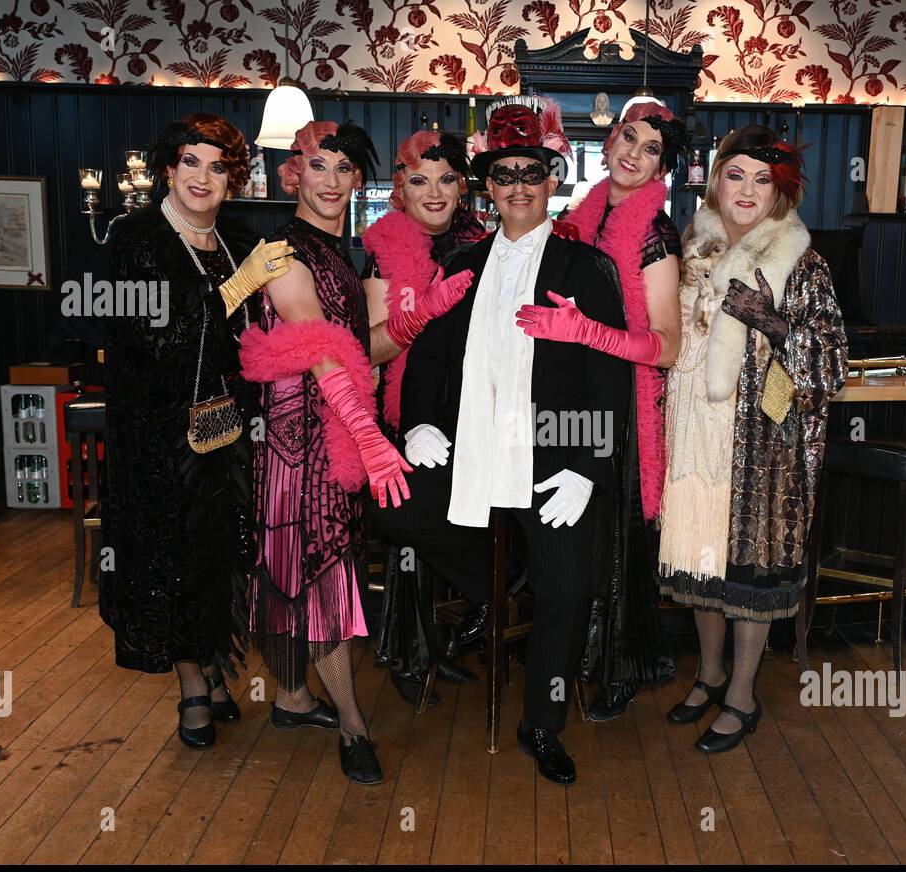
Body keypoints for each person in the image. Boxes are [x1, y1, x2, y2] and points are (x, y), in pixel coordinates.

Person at [371, 96, 633, 785]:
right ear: (488, 184)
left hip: (553, 453)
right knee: (393, 506)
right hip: (471, 450)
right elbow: (424, 354)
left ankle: (541, 722)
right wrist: (420, 421)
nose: (518, 186)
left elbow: (609, 377)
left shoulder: (586, 271)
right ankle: (502, 587)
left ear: (553, 179)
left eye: (531, 172)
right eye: (504, 173)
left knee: (571, 589)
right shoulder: (461, 259)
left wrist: (586, 466)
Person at [237, 120, 472, 783]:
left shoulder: (344, 254)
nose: (332, 180)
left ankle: (291, 697)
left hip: (333, 426)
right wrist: (367, 434)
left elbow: (363, 346)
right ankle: (352, 724)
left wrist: (419, 313)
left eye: (345, 169)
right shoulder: (279, 250)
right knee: (320, 567)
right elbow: (315, 343)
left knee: (309, 563)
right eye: (319, 166)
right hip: (299, 436)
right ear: (294, 174)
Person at [100, 112, 294, 749]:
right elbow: (161, 341)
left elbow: (256, 337)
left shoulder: (237, 239)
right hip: (158, 439)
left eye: (217, 166)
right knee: (171, 559)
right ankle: (191, 686)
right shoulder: (137, 239)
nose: (202, 177)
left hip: (229, 436)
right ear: (168, 167)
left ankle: (214, 667)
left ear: (233, 179)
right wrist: (238, 288)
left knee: (220, 556)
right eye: (191, 162)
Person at [658, 126, 847, 754]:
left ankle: (742, 692)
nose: (746, 189)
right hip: (693, 428)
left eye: (761, 178)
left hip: (759, 443)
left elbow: (829, 368)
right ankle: (709, 673)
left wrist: (769, 320)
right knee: (701, 557)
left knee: (748, 567)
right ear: (715, 181)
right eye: (735, 174)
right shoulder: (692, 248)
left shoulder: (801, 263)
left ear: (780, 191)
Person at [520, 99, 686, 722]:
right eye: (626, 136)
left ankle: (621, 668)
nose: (631, 153)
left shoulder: (654, 232)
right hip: (582, 399)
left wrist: (587, 333)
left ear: (662, 166)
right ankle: (585, 660)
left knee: (616, 547)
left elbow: (667, 347)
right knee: (586, 547)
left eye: (648, 148)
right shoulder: (586, 214)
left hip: (631, 406)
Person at [360, 130, 486, 707]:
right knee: (406, 519)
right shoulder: (383, 250)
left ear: (462, 186)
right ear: (400, 192)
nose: (433, 192)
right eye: (419, 180)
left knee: (473, 510)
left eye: (445, 179)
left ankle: (437, 644)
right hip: (394, 412)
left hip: (466, 411)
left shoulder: (483, 244)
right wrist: (425, 313)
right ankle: (412, 652)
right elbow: (372, 349)